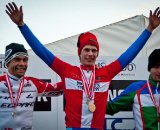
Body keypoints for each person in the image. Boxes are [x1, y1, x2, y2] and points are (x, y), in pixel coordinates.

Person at [5, 2, 160, 130]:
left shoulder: (107, 72)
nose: (90, 54)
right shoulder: (67, 70)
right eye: (86, 50)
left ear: (98, 54)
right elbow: (41, 51)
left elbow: (130, 54)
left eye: (94, 50)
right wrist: (21, 25)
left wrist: (149, 29)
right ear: (79, 53)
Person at [0, 43, 63, 129]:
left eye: (25, 60)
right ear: (7, 63)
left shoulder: (32, 83)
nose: (22, 64)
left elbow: (57, 89)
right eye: (17, 59)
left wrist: (76, 79)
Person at [106, 49, 160, 130]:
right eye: (156, 67)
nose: (159, 71)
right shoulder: (136, 88)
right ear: (149, 68)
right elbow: (111, 107)